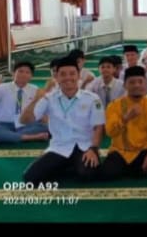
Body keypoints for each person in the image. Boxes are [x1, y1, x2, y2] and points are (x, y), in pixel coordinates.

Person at [21, 56, 104, 184]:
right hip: (59, 147)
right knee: (30, 177)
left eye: (72, 73)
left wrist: (93, 149)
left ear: (78, 76)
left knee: (88, 174)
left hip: (84, 146)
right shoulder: (49, 98)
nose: (68, 78)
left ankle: (67, 165)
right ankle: (68, 164)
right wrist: (36, 99)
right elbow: (25, 120)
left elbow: (98, 127)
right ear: (57, 77)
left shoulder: (92, 98)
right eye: (63, 74)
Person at [100, 66, 147, 180]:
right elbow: (110, 132)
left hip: (145, 150)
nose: (137, 85)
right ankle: (138, 169)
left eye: (140, 82)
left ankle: (134, 169)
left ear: (146, 84)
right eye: (132, 82)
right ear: (125, 85)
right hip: (122, 151)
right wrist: (126, 118)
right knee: (107, 173)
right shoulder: (114, 106)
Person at [0, 62, 50, 144]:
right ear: (13, 73)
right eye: (20, 71)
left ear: (31, 76)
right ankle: (32, 137)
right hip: (4, 124)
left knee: (45, 127)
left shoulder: (35, 89)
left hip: (27, 125)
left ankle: (8, 137)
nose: (23, 74)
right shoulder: (2, 88)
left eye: (27, 72)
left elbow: (41, 110)